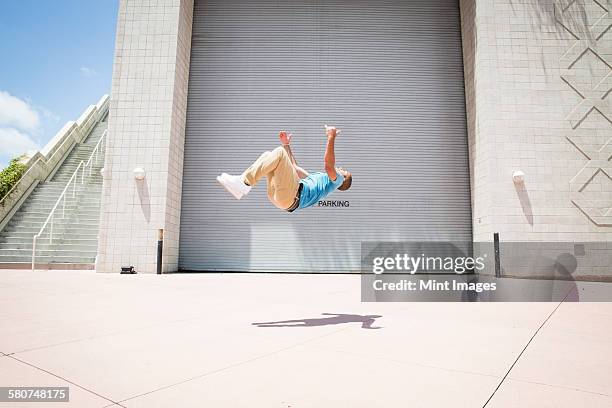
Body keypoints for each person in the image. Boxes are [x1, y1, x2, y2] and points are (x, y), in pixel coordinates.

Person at [216, 125, 352, 212]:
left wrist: (331, 137)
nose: (340, 168)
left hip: (292, 196)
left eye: (343, 171)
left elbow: (329, 166)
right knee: (269, 155)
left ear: (343, 179)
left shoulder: (337, 181)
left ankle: (244, 183)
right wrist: (287, 145)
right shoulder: (318, 182)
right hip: (282, 199)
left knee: (279, 153)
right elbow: (294, 168)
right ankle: (242, 183)